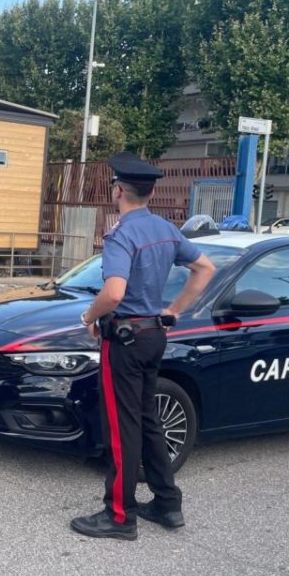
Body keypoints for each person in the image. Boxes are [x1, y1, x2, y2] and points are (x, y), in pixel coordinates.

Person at [71, 152, 215, 540]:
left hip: (125, 340)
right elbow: (205, 268)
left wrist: (88, 317)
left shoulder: (121, 235)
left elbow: (114, 293)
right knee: (149, 419)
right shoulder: (166, 229)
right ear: (150, 193)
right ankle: (167, 502)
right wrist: (174, 310)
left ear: (118, 191)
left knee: (123, 427)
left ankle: (119, 516)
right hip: (153, 335)